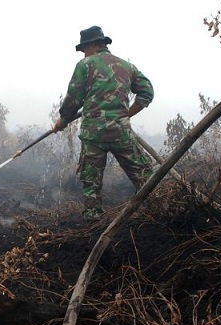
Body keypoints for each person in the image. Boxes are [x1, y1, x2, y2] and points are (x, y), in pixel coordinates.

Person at [53, 25, 154, 221]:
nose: (83, 54)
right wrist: (126, 115)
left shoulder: (85, 65)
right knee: (143, 174)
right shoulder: (126, 66)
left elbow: (74, 98)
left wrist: (63, 120)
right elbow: (147, 92)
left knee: (91, 181)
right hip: (120, 132)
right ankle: (159, 207)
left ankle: (93, 221)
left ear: (93, 45)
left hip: (93, 135)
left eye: (84, 49)